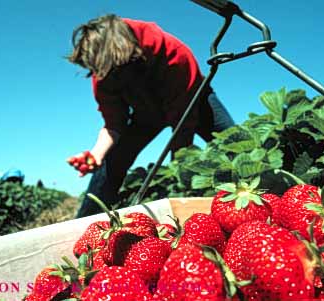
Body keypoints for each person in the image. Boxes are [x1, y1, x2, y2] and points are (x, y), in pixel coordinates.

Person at [67, 14, 234, 218]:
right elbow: (113, 123)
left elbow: (184, 122)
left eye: (115, 72)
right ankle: (85, 222)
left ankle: (255, 196)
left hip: (194, 99)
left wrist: (178, 175)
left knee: (234, 142)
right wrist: (96, 155)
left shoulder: (174, 54)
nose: (105, 77)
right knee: (113, 161)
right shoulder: (103, 73)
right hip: (146, 114)